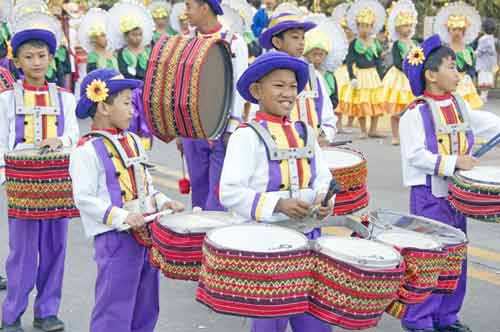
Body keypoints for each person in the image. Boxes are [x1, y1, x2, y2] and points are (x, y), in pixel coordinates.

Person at [220, 51, 334, 332]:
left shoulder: (306, 131)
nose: (288, 93)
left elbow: (323, 176)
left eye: (293, 86)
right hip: (268, 247)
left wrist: (324, 197)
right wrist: (278, 205)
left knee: (315, 318)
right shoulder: (246, 136)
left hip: (309, 239)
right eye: (278, 85)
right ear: (257, 91)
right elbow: (230, 192)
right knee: (270, 320)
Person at [70, 68, 185, 332]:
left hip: (146, 234)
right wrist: (122, 217)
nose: (133, 110)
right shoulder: (86, 150)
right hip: (116, 239)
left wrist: (164, 202)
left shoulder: (133, 140)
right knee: (114, 307)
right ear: (103, 107)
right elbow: (85, 198)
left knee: (147, 303)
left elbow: (146, 186)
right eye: (126, 103)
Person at [400, 34, 500, 332]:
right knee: (428, 261)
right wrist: (454, 162)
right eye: (451, 67)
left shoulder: (458, 105)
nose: (458, 74)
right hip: (429, 198)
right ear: (431, 75)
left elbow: (483, 123)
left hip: (456, 198)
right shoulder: (415, 113)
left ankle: (446, 317)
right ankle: (418, 320)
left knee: (456, 258)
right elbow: (415, 155)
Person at [0, 12, 80, 332]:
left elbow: (75, 136)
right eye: (28, 56)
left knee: (55, 248)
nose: (36, 62)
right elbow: (2, 138)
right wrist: (6, 175)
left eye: (41, 56)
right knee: (22, 252)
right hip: (23, 182)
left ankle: (47, 310)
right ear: (17, 61)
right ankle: (12, 313)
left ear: (51, 57)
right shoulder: (7, 100)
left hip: (58, 180)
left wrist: (59, 139)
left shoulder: (65, 98)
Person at [178, 0, 248, 210]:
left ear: (204, 7)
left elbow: (239, 86)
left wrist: (232, 127)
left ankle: (215, 239)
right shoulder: (185, 42)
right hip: (191, 130)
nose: (185, 12)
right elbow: (180, 85)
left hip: (221, 130)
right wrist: (180, 129)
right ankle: (199, 241)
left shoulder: (234, 41)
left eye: (189, 6)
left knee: (218, 196)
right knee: (198, 191)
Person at [259, 4, 337, 145]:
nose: (301, 43)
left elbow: (328, 115)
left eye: (303, 38)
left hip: (311, 151)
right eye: (295, 38)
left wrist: (325, 135)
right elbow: (255, 116)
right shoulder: (263, 76)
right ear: (277, 42)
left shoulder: (314, 76)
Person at [344, 0, 387, 138]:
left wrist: (382, 75)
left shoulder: (375, 43)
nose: (365, 29)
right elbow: (350, 61)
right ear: (357, 27)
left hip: (373, 75)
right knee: (361, 102)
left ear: (372, 27)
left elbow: (379, 60)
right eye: (362, 26)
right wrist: (352, 76)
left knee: (375, 101)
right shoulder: (354, 44)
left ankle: (373, 129)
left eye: (367, 26)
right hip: (361, 75)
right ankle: (363, 130)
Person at [381, 0, 418, 145]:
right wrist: (408, 69)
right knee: (397, 109)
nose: (408, 28)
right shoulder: (397, 44)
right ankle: (395, 135)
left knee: (411, 109)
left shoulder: (414, 43)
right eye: (405, 26)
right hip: (399, 77)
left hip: (412, 76)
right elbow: (397, 61)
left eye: (410, 25)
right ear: (398, 28)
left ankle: (410, 136)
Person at [434, 2, 483, 110]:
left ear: (465, 31)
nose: (457, 32)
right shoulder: (445, 50)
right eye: (454, 29)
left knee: (467, 110)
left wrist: (470, 79)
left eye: (460, 29)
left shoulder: (468, 50)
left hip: (465, 84)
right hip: (449, 83)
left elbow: (471, 69)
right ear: (449, 30)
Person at [303, 21, 348, 133]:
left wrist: (326, 105)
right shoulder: (303, 73)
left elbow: (334, 97)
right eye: (314, 54)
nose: (317, 58)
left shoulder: (328, 75)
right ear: (306, 55)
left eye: (321, 54)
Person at [109, 1, 154, 81]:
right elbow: (123, 73)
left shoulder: (149, 52)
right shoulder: (121, 54)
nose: (138, 38)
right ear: (126, 36)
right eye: (134, 35)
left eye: (140, 34)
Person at [79, 8, 118, 73]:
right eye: (102, 35)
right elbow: (92, 76)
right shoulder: (93, 56)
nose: (106, 38)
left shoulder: (113, 55)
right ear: (94, 39)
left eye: (106, 35)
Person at [476, 18, 498, 103]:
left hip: (483, 62)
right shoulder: (492, 39)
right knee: (488, 79)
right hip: (490, 63)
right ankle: (484, 96)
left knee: (483, 78)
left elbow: (480, 51)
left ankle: (482, 96)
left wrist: (472, 53)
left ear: (484, 28)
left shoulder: (483, 39)